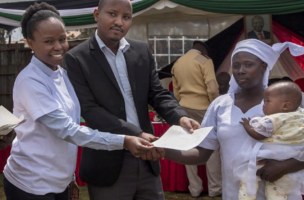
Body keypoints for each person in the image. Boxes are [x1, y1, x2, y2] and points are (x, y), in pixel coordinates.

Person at [3, 3, 154, 200]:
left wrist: (69, 178)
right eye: (48, 41)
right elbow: (67, 130)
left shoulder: (62, 75)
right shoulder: (30, 81)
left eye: (62, 39)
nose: (58, 47)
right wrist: (124, 141)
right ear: (30, 43)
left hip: (58, 183)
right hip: (30, 184)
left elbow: (67, 133)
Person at [64, 0, 200, 199]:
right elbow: (89, 110)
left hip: (148, 159)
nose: (119, 22)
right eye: (112, 14)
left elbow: (157, 93)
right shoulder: (77, 58)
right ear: (96, 14)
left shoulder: (141, 50)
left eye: (126, 17)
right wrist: (136, 134)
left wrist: (179, 117)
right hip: (108, 162)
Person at [158, 39, 304, 200]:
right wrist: (161, 149)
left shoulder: (283, 105)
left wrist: (285, 166)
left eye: (248, 65)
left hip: (280, 194)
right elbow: (202, 153)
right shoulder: (220, 106)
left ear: (263, 67)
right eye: (236, 65)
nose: (240, 70)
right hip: (236, 194)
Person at [236, 81, 304, 199]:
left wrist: (248, 126)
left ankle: (246, 197)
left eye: (267, 101)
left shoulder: (272, 120)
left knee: (247, 176)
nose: (263, 105)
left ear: (285, 106)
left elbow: (259, 135)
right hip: (294, 158)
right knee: (277, 191)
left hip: (271, 156)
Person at [171, 40, 222, 198]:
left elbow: (176, 91)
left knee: (188, 146)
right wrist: (217, 106)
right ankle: (215, 189)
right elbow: (213, 88)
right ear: (203, 51)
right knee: (212, 147)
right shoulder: (204, 60)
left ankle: (194, 188)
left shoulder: (178, 63)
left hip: (184, 108)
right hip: (204, 108)